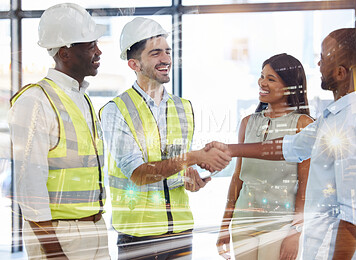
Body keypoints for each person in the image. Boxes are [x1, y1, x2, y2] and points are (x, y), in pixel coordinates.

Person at [207, 28, 356, 259]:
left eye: (324, 58)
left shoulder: (352, 127)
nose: (318, 64)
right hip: (318, 242)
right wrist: (230, 149)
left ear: (341, 73)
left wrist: (295, 230)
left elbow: (351, 218)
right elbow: (290, 147)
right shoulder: (334, 118)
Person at [100, 17, 231, 259]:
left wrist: (192, 179)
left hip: (180, 231)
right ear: (134, 64)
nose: (166, 59)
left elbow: (177, 168)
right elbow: (139, 174)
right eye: (156, 53)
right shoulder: (116, 110)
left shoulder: (184, 107)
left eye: (168, 52)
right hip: (138, 235)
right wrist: (193, 156)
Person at [8, 3, 110, 260]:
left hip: (94, 228)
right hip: (61, 236)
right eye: (90, 46)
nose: (98, 52)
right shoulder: (36, 101)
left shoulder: (82, 98)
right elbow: (29, 187)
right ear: (65, 53)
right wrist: (55, 254)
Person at [216, 54, 312, 260]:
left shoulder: (303, 124)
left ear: (290, 87)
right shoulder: (247, 122)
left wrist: (295, 232)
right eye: (262, 76)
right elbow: (238, 178)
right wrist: (225, 226)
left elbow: (306, 186)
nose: (262, 82)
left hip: (280, 226)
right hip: (243, 221)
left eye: (271, 78)